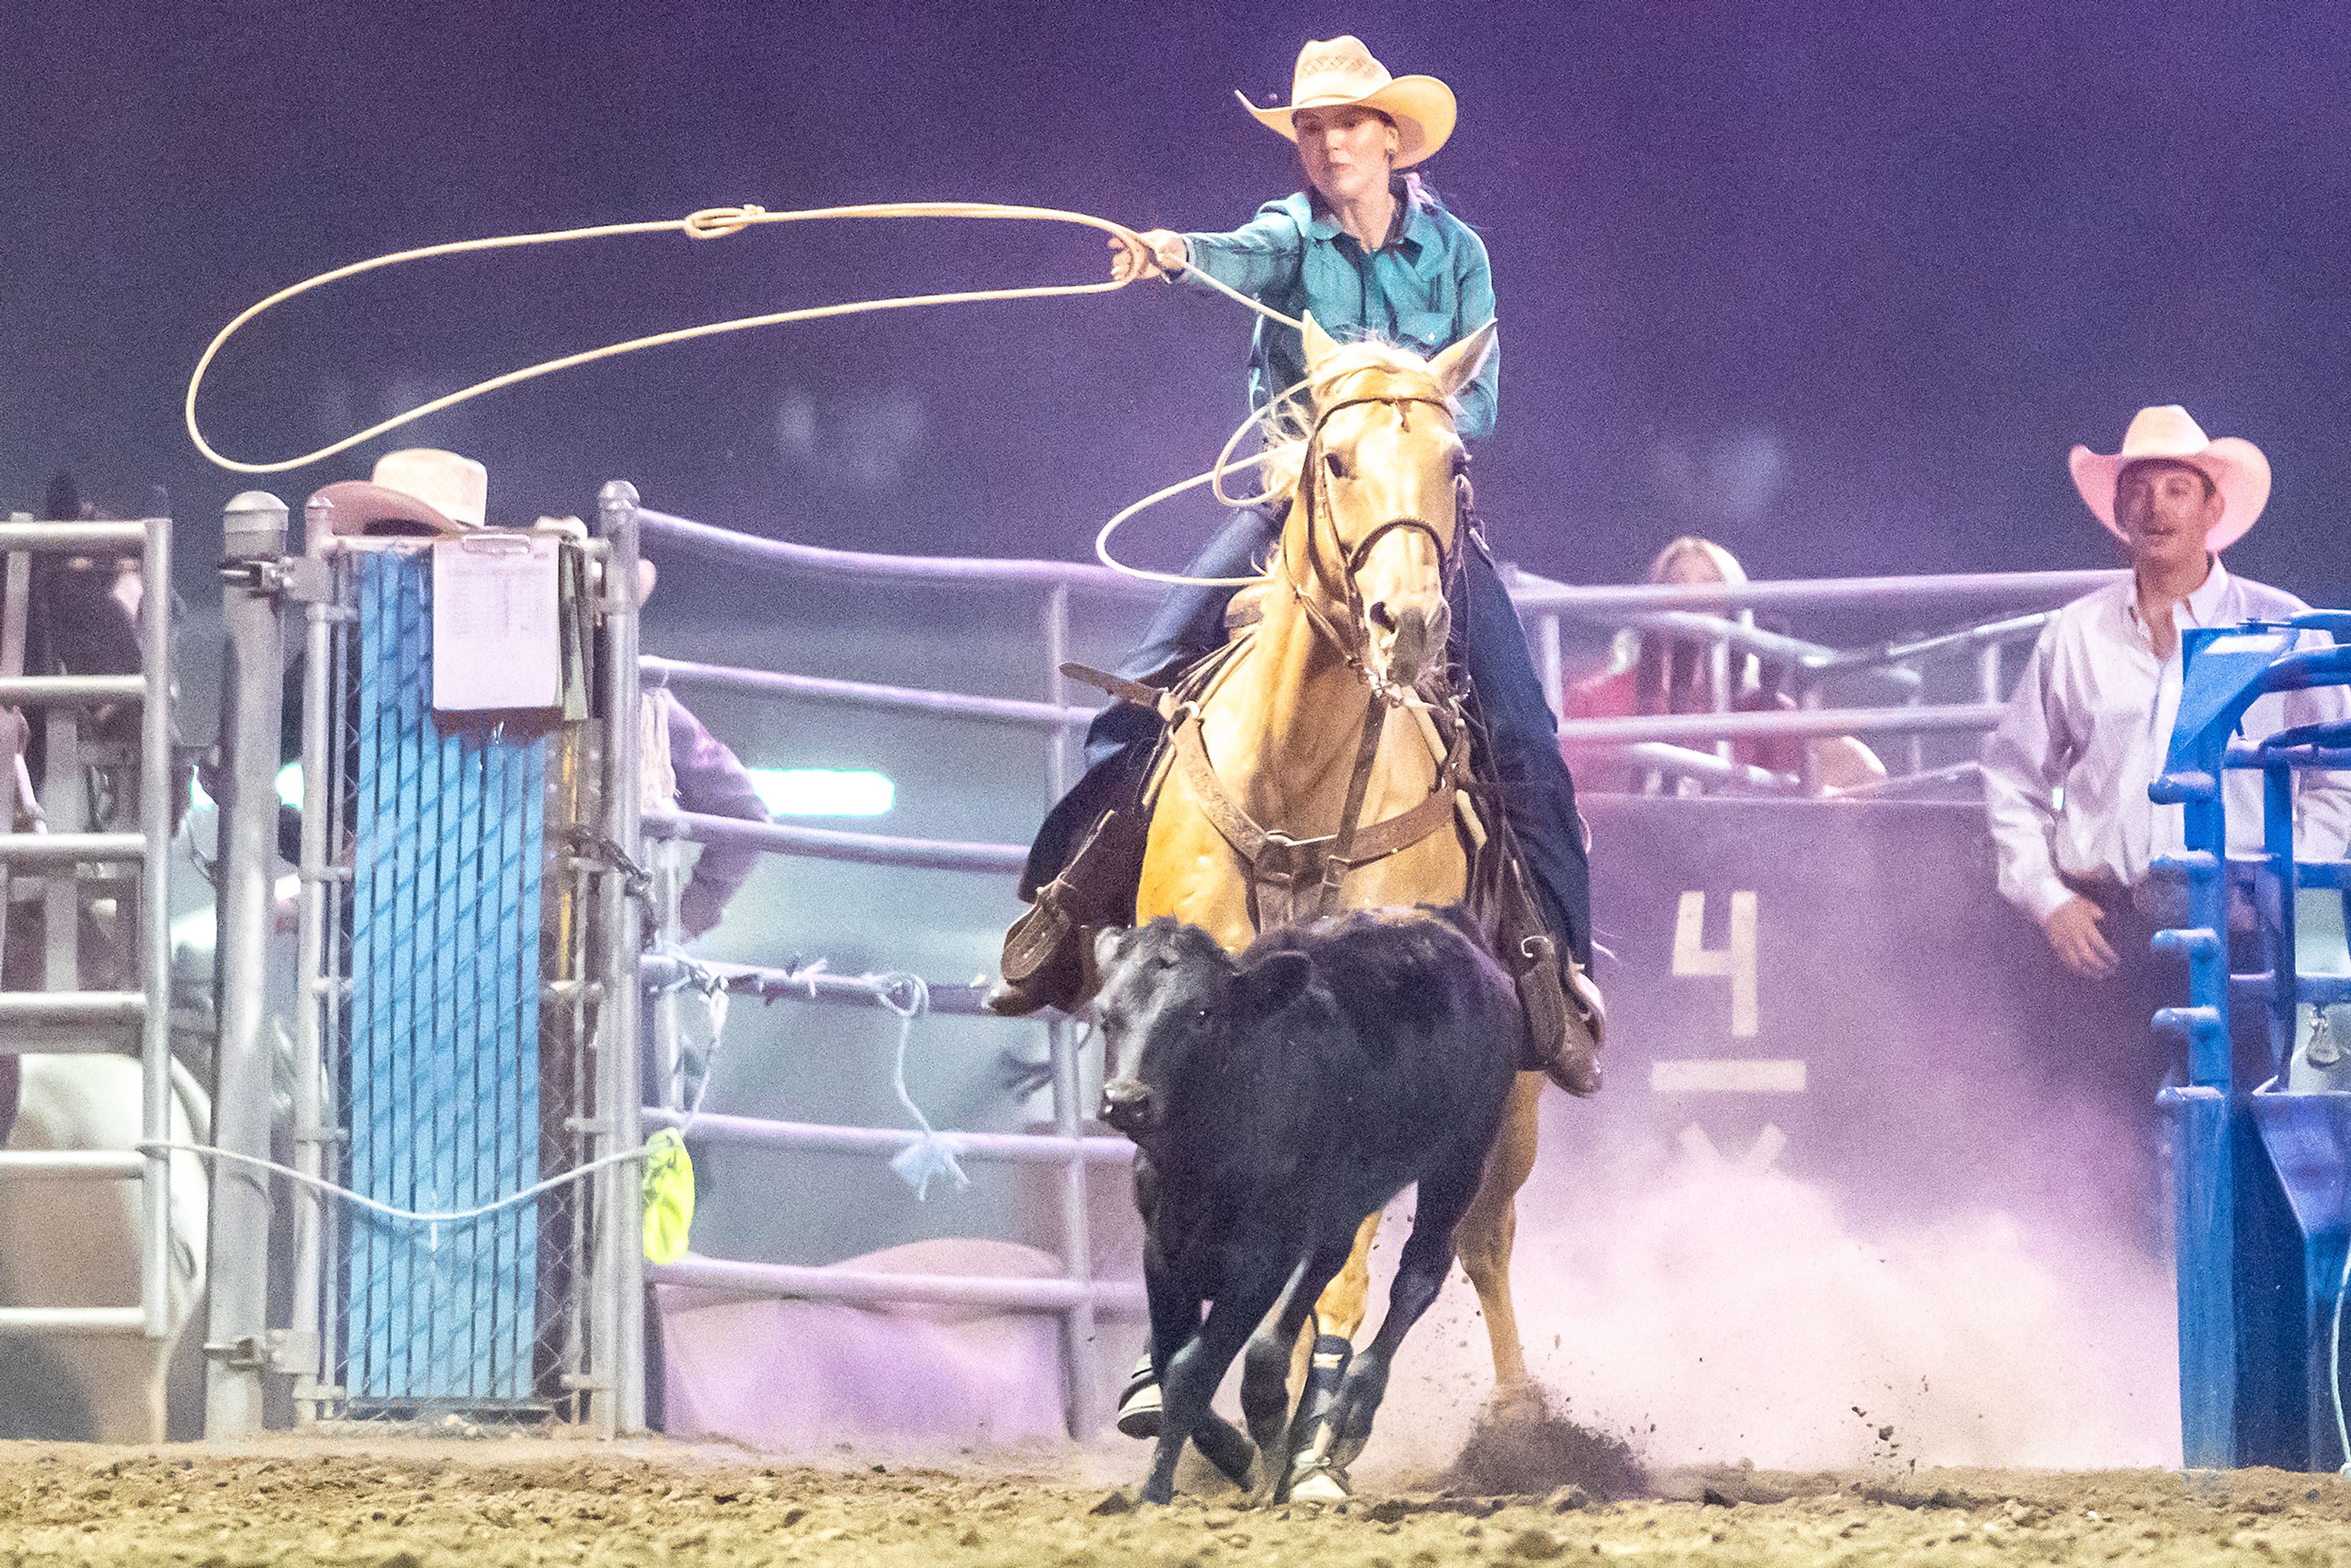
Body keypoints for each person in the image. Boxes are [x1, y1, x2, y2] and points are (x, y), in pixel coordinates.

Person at [991, 36, 1598, 1093]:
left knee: (1527, 741)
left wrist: (1395, 402)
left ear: (1390, 139)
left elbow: (1481, 401)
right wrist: (1178, 253)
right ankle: (1066, 913)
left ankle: (1556, 975)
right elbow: (1236, 255)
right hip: (1296, 512)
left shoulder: (1458, 256)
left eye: (1346, 124)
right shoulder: (1290, 235)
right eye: (1311, 128)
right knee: (1145, 681)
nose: (1326, 145)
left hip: (1412, 517)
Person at [1984, 405, 2351, 1103]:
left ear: (2213, 506)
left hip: (2243, 928)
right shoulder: (2075, 633)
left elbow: (2339, 778)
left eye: (2176, 489)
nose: (2156, 507)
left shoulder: (2282, 627)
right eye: (2139, 490)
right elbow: (2013, 775)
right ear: (2120, 509)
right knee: (2089, 1138)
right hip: (2105, 927)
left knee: (2249, 1130)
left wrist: (2278, 881)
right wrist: (2048, 898)